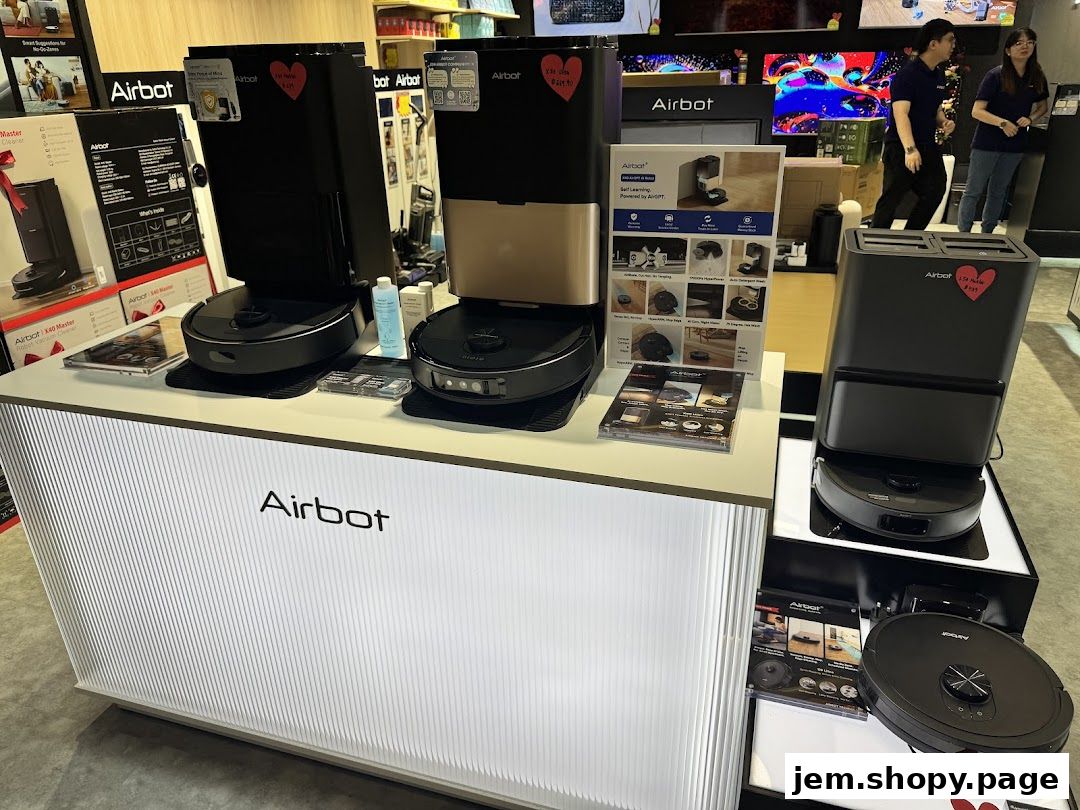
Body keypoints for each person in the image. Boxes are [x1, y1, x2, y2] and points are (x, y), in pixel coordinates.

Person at [958, 28, 1049, 234]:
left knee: (999, 191)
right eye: (1019, 43)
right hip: (986, 143)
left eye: (1030, 42)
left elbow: (1042, 107)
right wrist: (1002, 123)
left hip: (1015, 145)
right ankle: (964, 232)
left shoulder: (1036, 75)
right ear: (1008, 50)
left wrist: (1030, 119)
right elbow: (977, 111)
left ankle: (988, 232)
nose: (1025, 46)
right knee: (973, 190)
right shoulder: (995, 75)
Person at [871, 18, 957, 230]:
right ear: (933, 44)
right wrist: (910, 150)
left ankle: (911, 236)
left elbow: (935, 109)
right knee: (892, 197)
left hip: (927, 145)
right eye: (949, 40)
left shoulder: (938, 75)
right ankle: (875, 242)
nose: (953, 45)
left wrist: (943, 121)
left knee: (936, 190)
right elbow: (901, 114)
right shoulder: (907, 75)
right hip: (902, 146)